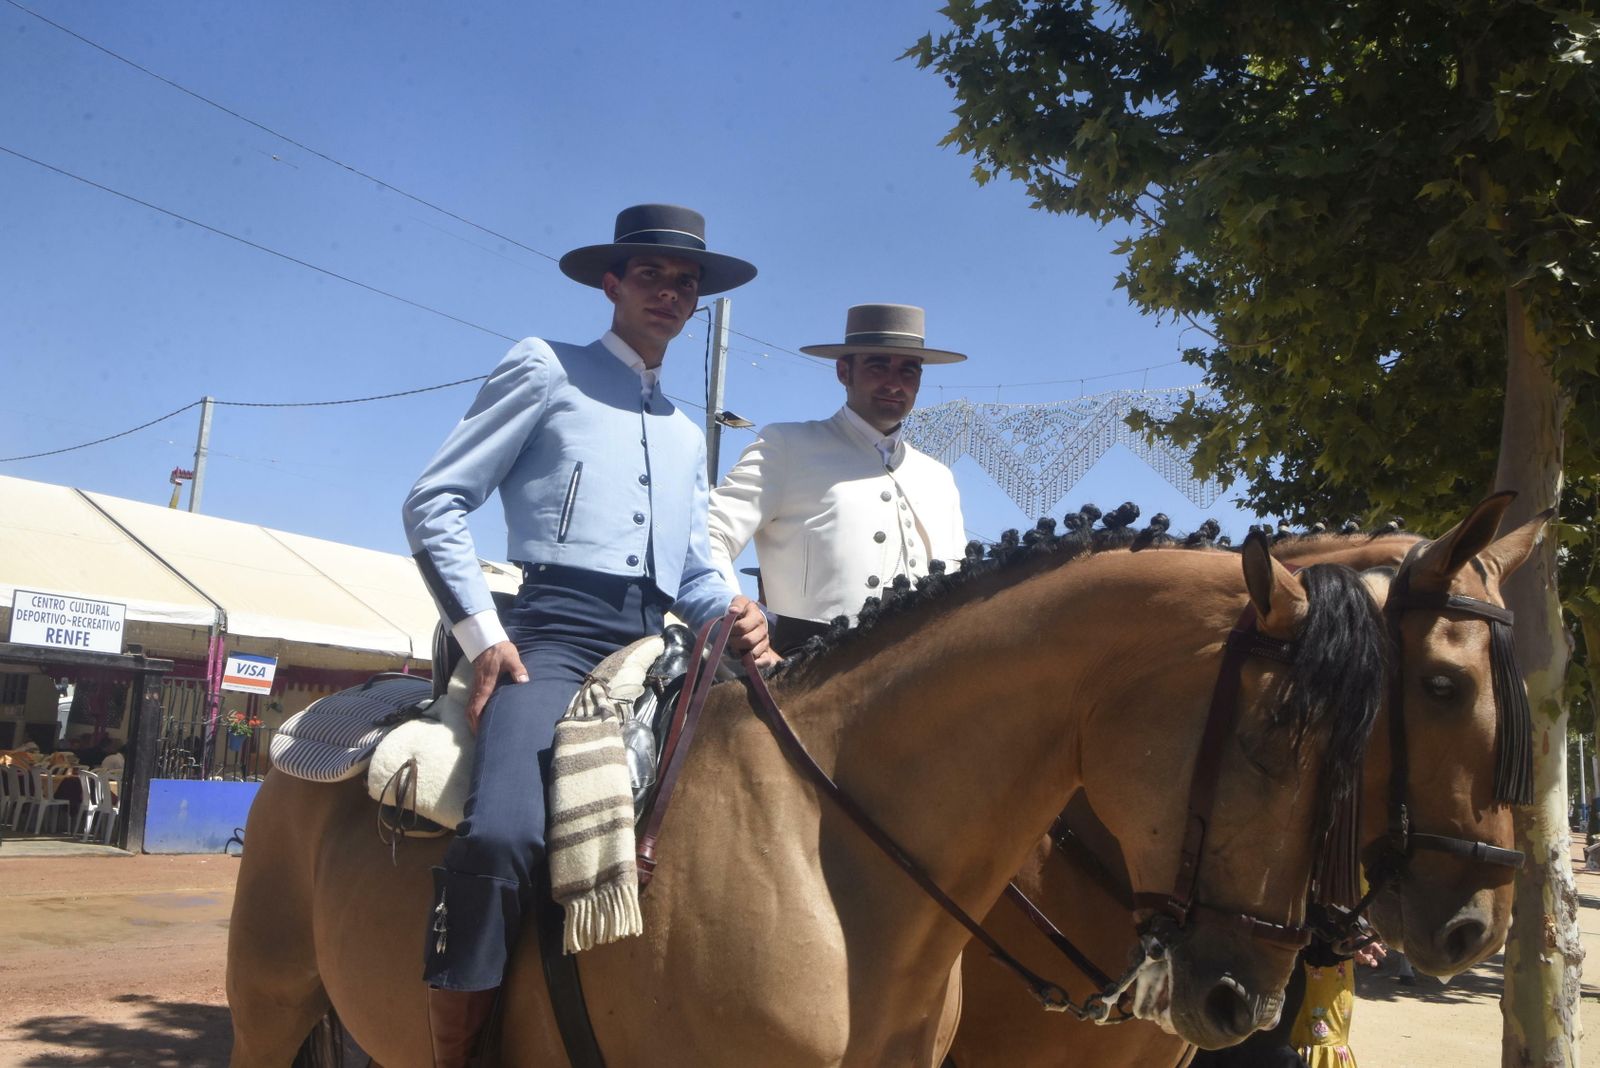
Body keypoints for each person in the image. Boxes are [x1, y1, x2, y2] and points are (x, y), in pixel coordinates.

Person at [402, 203, 771, 1067]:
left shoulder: (686, 430)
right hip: (552, 634)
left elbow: (688, 567)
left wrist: (734, 614)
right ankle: (459, 1053)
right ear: (612, 282)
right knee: (503, 832)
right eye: (651, 275)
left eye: (686, 284)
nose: (671, 294)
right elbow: (435, 501)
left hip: (657, 640)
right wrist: (484, 633)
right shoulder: (545, 368)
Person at [707, 303, 968, 654]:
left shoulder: (939, 479)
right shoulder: (787, 446)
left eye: (908, 371)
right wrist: (737, 616)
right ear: (844, 372)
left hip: (923, 677)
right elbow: (709, 533)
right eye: (878, 366)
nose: (894, 384)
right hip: (803, 675)